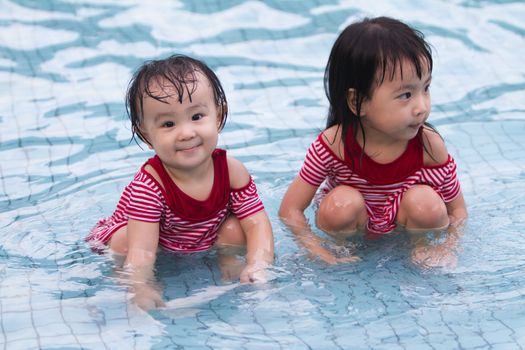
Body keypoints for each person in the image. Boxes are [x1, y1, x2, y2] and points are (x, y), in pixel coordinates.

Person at [87, 54, 274, 309]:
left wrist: (258, 264)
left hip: (200, 238)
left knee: (236, 230)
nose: (186, 133)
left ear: (219, 115)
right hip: (150, 241)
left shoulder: (232, 171)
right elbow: (142, 252)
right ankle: (122, 277)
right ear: (146, 135)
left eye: (197, 116)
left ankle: (227, 262)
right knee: (125, 242)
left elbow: (258, 224)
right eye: (168, 123)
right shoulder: (150, 188)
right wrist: (140, 286)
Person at [279, 17, 467, 267]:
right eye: (406, 95)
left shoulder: (429, 147)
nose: (422, 107)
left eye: (426, 88)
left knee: (427, 203)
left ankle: (420, 251)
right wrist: (316, 249)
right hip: (352, 227)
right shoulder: (335, 145)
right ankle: (343, 251)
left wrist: (447, 247)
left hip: (406, 228)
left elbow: (458, 211)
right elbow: (290, 210)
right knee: (341, 204)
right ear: (358, 102)